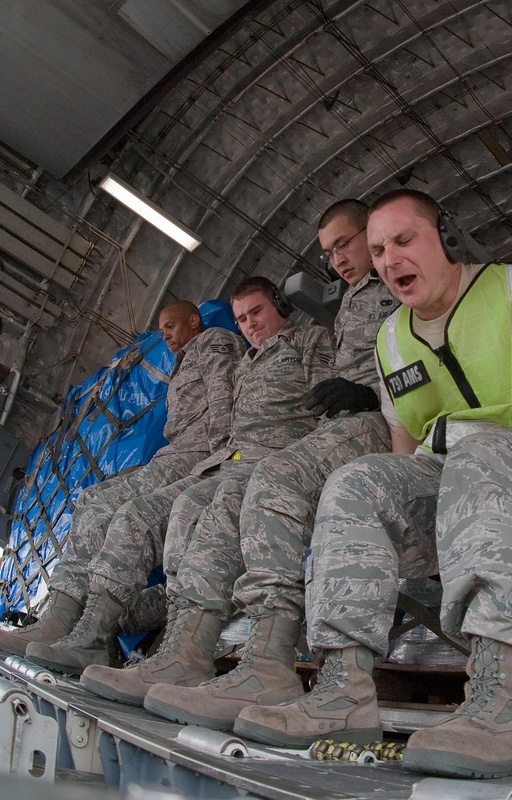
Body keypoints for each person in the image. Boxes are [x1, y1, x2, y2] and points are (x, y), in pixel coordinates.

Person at [230, 189, 512, 779]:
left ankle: (498, 698)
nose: (388, 259)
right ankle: (344, 688)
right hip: (449, 476)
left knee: (484, 460)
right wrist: (414, 523)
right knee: (357, 481)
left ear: (446, 237)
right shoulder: (390, 340)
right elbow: (404, 451)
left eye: (403, 241)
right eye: (379, 249)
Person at [90, 200, 397, 728]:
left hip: (366, 426)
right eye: (330, 252)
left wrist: (366, 399)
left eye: (345, 243)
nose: (340, 259)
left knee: (259, 485)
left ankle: (260, 658)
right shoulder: (345, 305)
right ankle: (175, 643)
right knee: (187, 506)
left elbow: (329, 393)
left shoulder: (350, 311)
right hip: (284, 443)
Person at [25, 278, 335, 676]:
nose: (249, 325)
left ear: (279, 305)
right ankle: (93, 632)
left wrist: (228, 454)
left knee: (208, 516)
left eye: (256, 312)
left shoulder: (305, 341)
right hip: (227, 462)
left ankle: (181, 651)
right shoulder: (246, 364)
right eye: (241, 318)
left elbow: (322, 410)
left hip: (269, 463)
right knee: (138, 514)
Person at [0, 302, 242, 658]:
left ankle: (83, 630)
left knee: (124, 512)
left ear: (194, 321)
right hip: (176, 454)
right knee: (90, 500)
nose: (166, 335)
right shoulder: (182, 362)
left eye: (171, 326)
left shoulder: (213, 341)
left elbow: (224, 399)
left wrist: (222, 459)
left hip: (197, 455)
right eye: (162, 330)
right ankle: (61, 616)